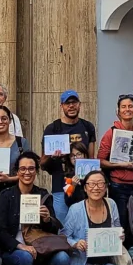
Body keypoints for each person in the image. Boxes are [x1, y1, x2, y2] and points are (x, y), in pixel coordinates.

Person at [0, 152, 74, 265]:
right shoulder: (7, 195)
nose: (27, 172)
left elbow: (53, 229)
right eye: (23, 169)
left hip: (40, 249)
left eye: (31, 168)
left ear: (36, 171)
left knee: (62, 258)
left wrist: (46, 219)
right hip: (13, 252)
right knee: (24, 256)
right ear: (17, 171)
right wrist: (19, 246)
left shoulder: (43, 194)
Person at [64, 170, 133, 265]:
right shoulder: (76, 209)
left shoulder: (111, 204)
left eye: (100, 184)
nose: (96, 188)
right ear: (85, 188)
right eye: (91, 184)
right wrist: (75, 243)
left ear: (106, 187)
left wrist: (120, 235)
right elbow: (63, 236)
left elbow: (117, 227)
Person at [42, 89, 97, 222]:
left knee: (84, 225)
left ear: (79, 104)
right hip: (60, 187)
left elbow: (91, 159)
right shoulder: (52, 128)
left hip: (82, 187)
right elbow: (42, 163)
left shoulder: (88, 127)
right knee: (62, 227)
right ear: (62, 106)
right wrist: (52, 157)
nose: (71, 106)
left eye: (74, 102)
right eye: (67, 103)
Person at [97, 94, 133, 230]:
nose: (127, 109)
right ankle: (122, 249)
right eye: (124, 107)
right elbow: (100, 161)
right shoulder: (111, 133)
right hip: (118, 186)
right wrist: (121, 165)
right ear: (118, 111)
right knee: (122, 221)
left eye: (130, 106)